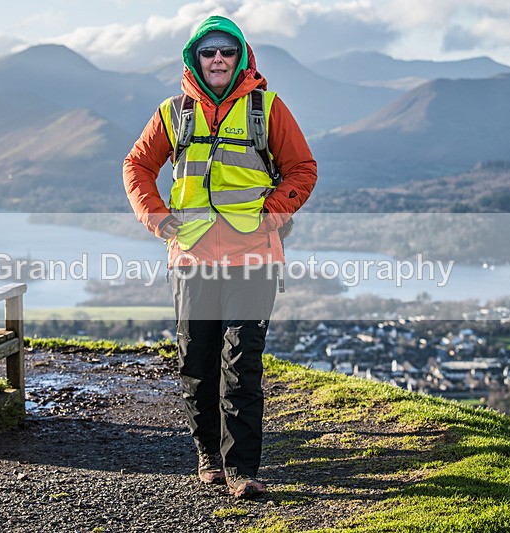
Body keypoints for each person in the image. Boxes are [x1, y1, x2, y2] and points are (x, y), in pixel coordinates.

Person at [122, 15, 316, 498]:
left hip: (253, 257)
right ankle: (208, 455)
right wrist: (155, 216)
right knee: (197, 361)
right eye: (208, 51)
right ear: (195, 58)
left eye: (227, 51)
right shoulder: (173, 112)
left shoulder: (266, 108)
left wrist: (272, 214)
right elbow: (137, 165)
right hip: (192, 256)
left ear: (240, 57)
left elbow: (302, 168)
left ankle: (242, 470)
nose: (217, 59)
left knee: (242, 363)